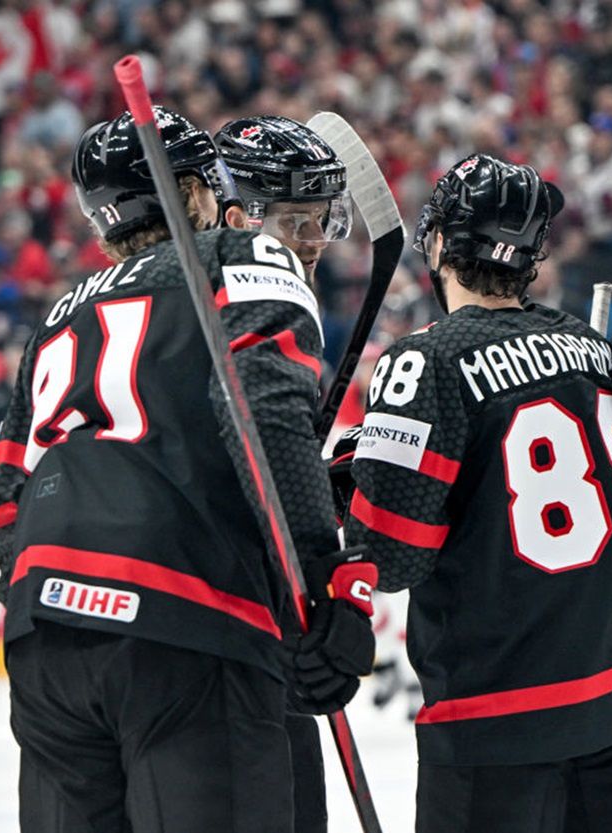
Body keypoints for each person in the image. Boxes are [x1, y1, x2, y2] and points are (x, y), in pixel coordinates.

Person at [0, 107, 375, 833]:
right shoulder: (238, 257)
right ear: (197, 193)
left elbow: (10, 499)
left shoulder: (56, 318)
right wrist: (321, 584)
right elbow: (259, 412)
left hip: (43, 641)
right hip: (185, 626)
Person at [345, 154, 612, 833]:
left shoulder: (423, 359)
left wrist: (357, 478)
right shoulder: (587, 346)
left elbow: (390, 557)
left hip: (495, 715)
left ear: (436, 244)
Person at [213, 113, 358, 833]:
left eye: (322, 221)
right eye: (298, 223)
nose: (314, 244)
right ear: (240, 218)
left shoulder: (261, 302)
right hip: (226, 637)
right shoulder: (233, 302)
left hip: (265, 629)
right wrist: (318, 576)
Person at [214, 115, 354, 283]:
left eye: (321, 216)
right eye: (294, 221)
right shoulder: (195, 304)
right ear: (238, 223)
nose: (319, 241)